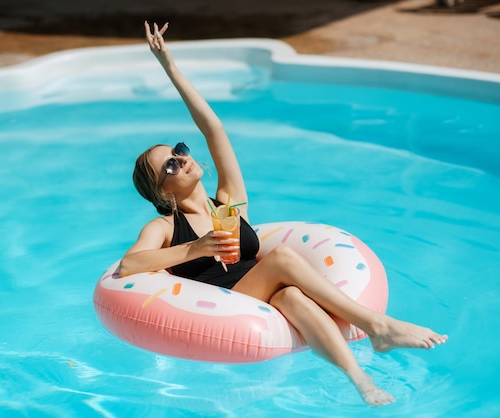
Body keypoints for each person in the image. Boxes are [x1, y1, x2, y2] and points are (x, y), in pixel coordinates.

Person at [118, 21, 448, 407]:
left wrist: (170, 67)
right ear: (162, 191)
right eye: (170, 167)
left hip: (262, 290)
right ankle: (378, 325)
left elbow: (215, 130)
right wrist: (198, 248)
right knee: (284, 259)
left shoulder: (228, 203)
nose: (182, 160)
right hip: (226, 299)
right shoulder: (165, 226)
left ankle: (362, 381)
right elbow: (129, 266)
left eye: (179, 150)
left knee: (294, 297)